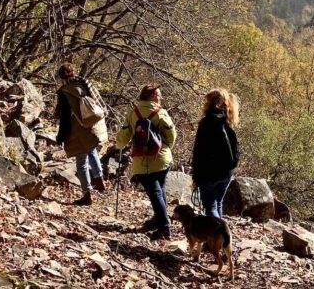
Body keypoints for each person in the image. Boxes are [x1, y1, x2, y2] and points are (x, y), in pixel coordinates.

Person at [116, 83, 177, 240]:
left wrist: (119, 146)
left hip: (141, 161)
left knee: (156, 191)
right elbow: (171, 135)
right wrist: (166, 147)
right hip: (161, 158)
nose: (160, 97)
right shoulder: (161, 113)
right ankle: (162, 222)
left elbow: (123, 137)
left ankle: (163, 226)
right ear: (151, 96)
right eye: (158, 95)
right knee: (160, 189)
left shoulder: (133, 113)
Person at [55, 63, 108, 206]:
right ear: (73, 72)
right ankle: (99, 177)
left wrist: (60, 137)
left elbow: (64, 117)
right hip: (91, 125)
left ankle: (87, 194)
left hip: (76, 130)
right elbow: (98, 103)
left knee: (81, 163)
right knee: (92, 150)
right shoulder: (85, 83)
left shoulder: (63, 92)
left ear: (61, 77)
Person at [191, 89, 240, 218]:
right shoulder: (228, 121)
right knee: (218, 202)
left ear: (210, 103)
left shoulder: (206, 122)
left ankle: (217, 234)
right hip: (226, 172)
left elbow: (198, 152)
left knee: (210, 207)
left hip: (208, 173)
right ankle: (222, 235)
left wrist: (195, 176)